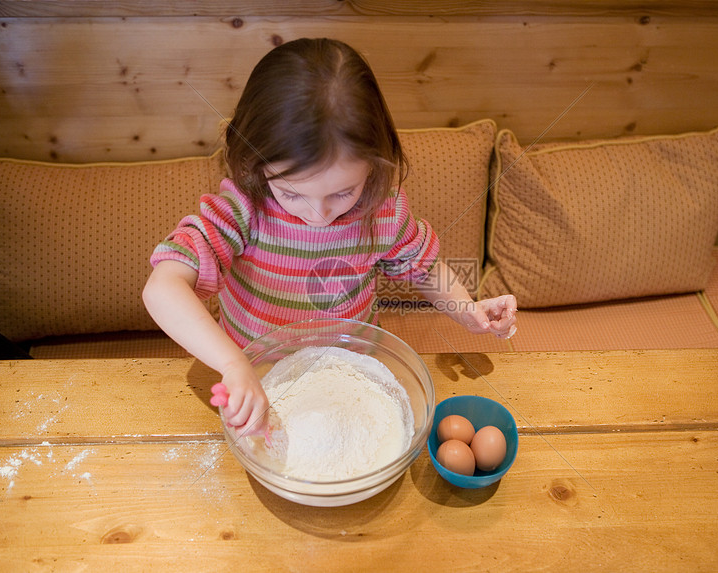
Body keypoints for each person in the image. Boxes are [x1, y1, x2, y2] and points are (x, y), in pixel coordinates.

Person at [143, 38, 517, 436]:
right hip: (258, 382)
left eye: (342, 192)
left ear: (374, 167)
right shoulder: (242, 211)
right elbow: (161, 288)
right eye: (291, 193)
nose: (319, 214)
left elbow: (423, 269)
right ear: (255, 163)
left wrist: (467, 310)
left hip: (350, 381)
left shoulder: (382, 212)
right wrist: (232, 364)